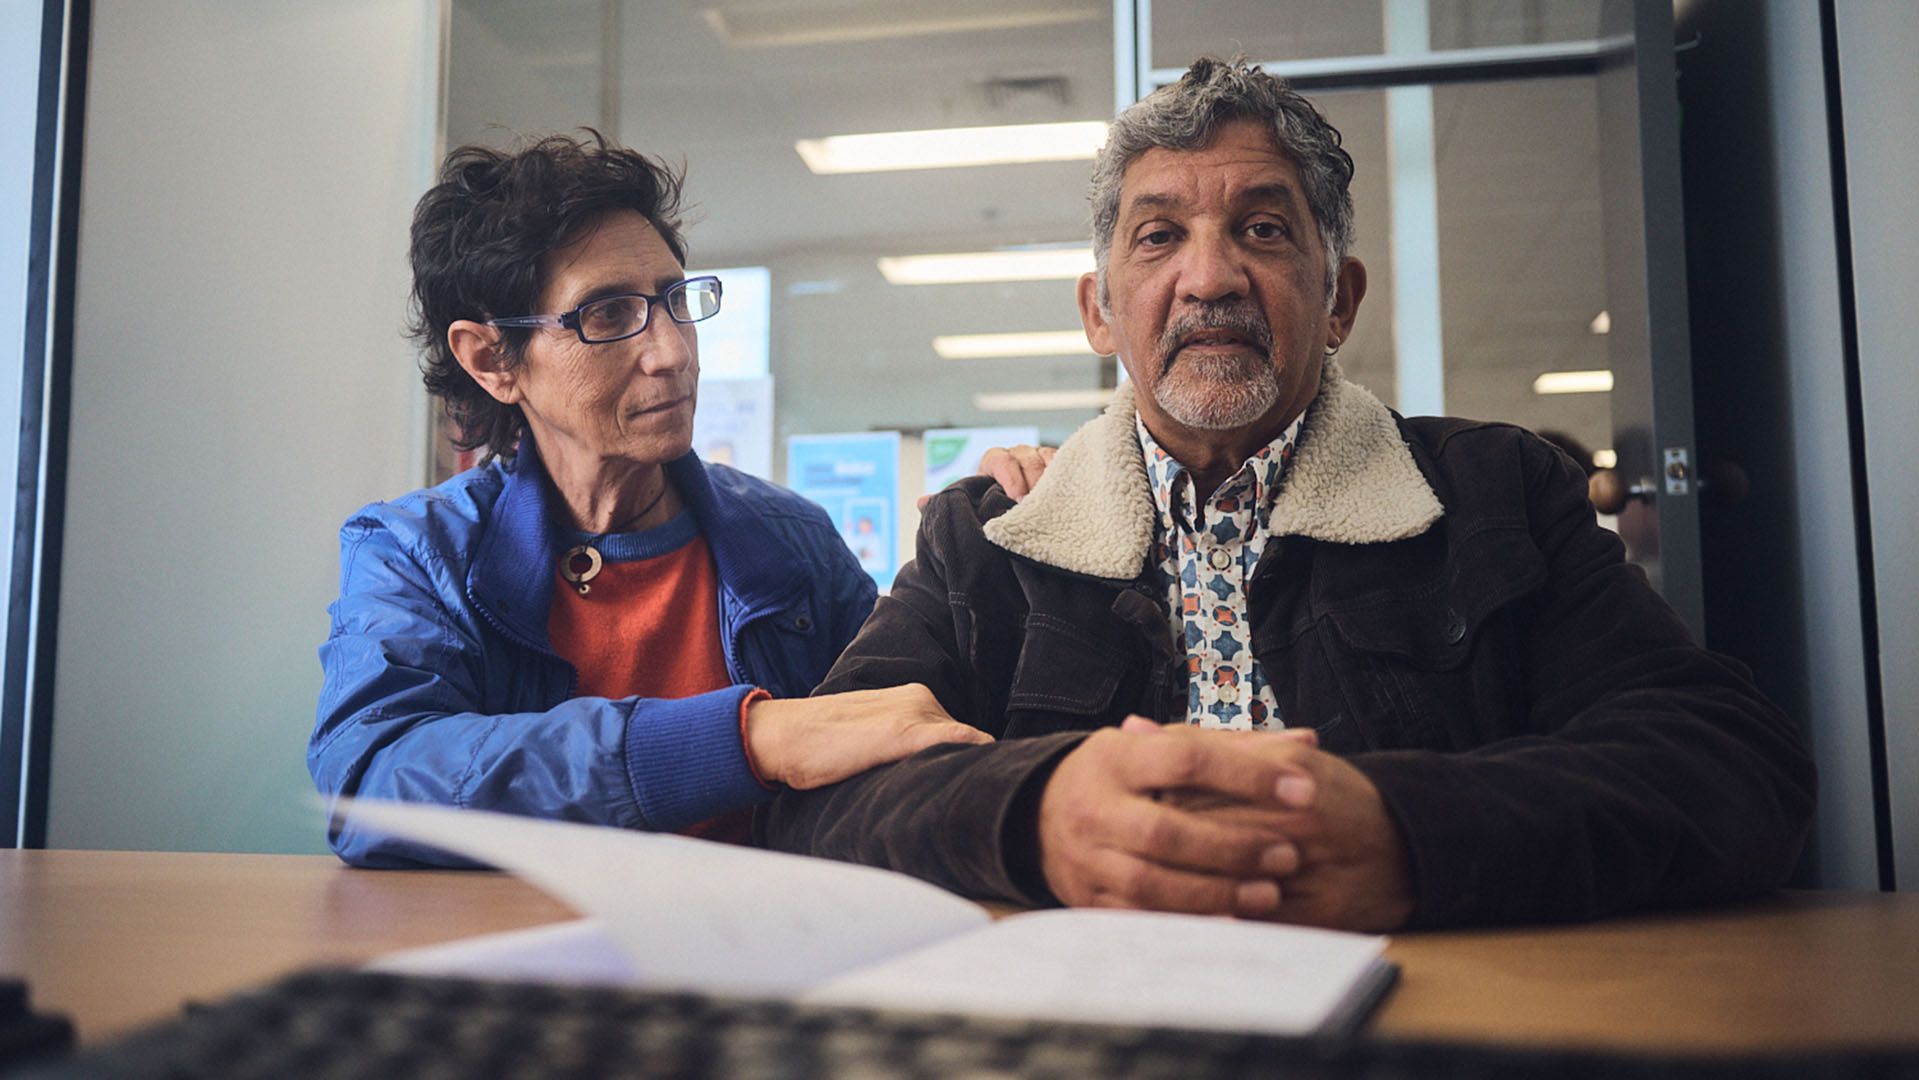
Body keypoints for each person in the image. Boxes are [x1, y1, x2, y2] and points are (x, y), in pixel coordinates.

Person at [757, 58, 1815, 930]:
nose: (1208, 277)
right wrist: (1029, 814)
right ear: (1098, 310)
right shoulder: (982, 542)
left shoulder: (1496, 491)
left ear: (1337, 295)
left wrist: (1410, 832)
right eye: (1158, 235)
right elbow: (821, 799)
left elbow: (1730, 764)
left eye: (1262, 230)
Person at [311, 133, 995, 866]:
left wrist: (1010, 536)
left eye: (675, 300)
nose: (672, 352)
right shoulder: (418, 551)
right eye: (605, 314)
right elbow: (373, 781)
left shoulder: (789, 541)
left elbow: (908, 730)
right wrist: (746, 740)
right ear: (491, 360)